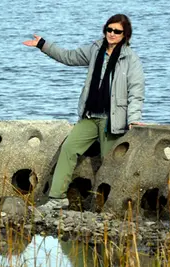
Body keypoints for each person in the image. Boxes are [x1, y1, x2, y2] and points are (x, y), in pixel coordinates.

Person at [23, 14, 145, 211]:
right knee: (69, 148)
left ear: (125, 35)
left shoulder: (131, 59)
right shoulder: (95, 50)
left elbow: (137, 91)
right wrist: (43, 45)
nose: (112, 34)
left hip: (112, 120)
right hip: (90, 116)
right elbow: (69, 57)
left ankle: (109, 206)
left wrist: (134, 119)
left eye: (117, 31)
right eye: (109, 30)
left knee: (109, 162)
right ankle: (57, 198)